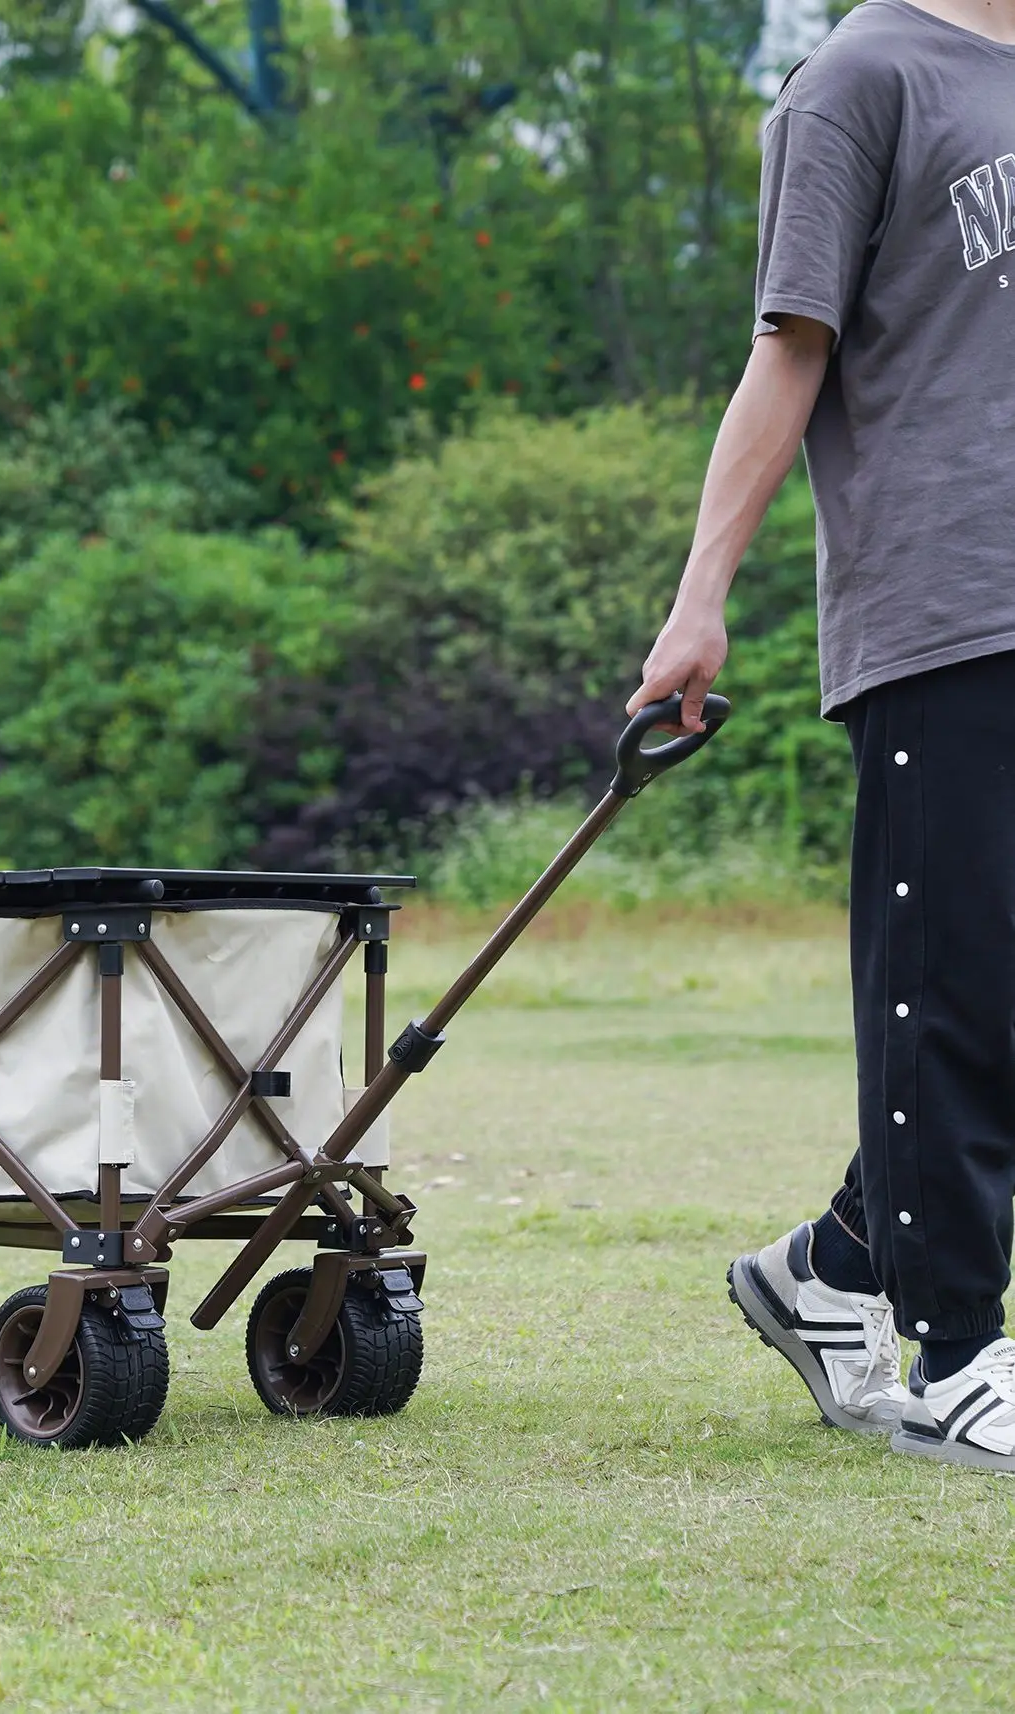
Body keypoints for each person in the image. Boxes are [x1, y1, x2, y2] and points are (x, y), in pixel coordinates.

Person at [628, 0, 1015, 1471]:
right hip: (940, 606)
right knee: (952, 988)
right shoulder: (855, 82)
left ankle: (838, 1265)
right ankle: (956, 1353)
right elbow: (785, 351)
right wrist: (697, 597)